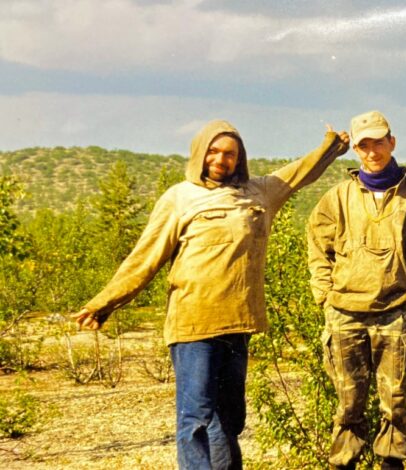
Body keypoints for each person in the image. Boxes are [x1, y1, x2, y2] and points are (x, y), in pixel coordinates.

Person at [71, 119, 350, 469]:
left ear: (239, 158)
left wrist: (331, 147)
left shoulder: (258, 192)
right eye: (213, 152)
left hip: (238, 323)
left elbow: (298, 174)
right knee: (197, 418)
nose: (220, 160)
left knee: (230, 419)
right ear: (199, 154)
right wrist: (103, 303)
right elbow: (145, 257)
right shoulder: (179, 198)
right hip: (193, 326)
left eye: (229, 154)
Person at [307, 110, 406, 470]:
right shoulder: (337, 198)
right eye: (363, 145)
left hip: (395, 314)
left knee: (395, 399)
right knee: (348, 400)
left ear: (392, 142)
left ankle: (391, 462)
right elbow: (317, 249)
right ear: (355, 149)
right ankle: (344, 462)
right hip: (344, 314)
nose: (372, 152)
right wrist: (324, 293)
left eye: (378, 143)